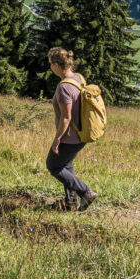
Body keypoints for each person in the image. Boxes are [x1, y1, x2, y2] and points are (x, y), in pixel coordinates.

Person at [46, 46, 98, 211]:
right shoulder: (78, 78)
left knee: (53, 166)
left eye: (50, 63)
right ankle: (71, 202)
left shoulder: (63, 87)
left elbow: (66, 117)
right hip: (81, 134)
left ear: (56, 65)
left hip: (70, 137)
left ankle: (86, 192)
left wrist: (57, 139)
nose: (50, 67)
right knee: (66, 165)